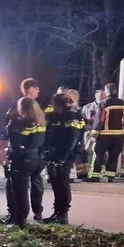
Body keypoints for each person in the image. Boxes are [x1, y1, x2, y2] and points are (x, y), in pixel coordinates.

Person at [4, 79, 47, 219]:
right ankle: (35, 212)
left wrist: (12, 127)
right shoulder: (40, 112)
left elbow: (16, 139)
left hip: (25, 155)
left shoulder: (27, 115)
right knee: (35, 182)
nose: (28, 95)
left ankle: (19, 216)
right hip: (38, 153)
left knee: (18, 188)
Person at [43, 93, 84, 224]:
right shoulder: (55, 115)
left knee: (62, 183)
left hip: (65, 155)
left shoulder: (72, 115)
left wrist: (62, 157)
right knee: (56, 183)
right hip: (54, 153)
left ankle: (63, 214)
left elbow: (72, 138)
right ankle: (57, 212)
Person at [89, 83, 124, 182]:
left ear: (106, 91)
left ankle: (95, 176)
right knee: (114, 155)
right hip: (119, 134)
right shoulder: (123, 103)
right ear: (115, 90)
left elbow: (100, 120)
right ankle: (110, 176)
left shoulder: (103, 103)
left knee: (99, 154)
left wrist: (94, 133)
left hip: (104, 134)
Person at [79, 89, 105, 179]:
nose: (102, 97)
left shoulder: (105, 106)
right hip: (89, 132)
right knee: (87, 152)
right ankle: (88, 171)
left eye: (104, 95)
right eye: (101, 95)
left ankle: (99, 171)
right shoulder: (87, 107)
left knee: (99, 152)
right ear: (95, 95)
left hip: (101, 133)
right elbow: (82, 119)